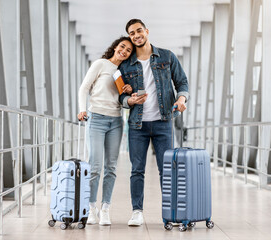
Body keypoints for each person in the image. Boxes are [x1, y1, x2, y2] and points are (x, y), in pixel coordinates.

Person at [118, 19, 189, 226]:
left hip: (163, 122)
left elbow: (182, 82)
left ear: (147, 31)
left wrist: (181, 99)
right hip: (137, 125)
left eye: (139, 30)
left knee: (167, 170)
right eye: (132, 33)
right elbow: (119, 96)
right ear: (130, 37)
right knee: (137, 169)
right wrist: (128, 100)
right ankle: (137, 212)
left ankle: (171, 212)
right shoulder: (125, 65)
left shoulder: (166, 57)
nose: (136, 35)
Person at [78, 36, 133, 226]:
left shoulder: (124, 72)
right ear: (116, 47)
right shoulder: (101, 64)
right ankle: (91, 208)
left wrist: (127, 90)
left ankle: (105, 208)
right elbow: (84, 88)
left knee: (111, 167)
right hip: (96, 119)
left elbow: (124, 102)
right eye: (122, 47)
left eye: (128, 50)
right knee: (94, 166)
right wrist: (82, 109)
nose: (124, 51)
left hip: (116, 121)